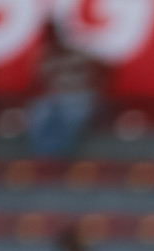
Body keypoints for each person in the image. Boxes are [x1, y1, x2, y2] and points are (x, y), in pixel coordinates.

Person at [27, 22, 102, 159]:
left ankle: (60, 159)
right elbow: (40, 81)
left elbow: (92, 78)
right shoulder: (46, 55)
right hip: (56, 99)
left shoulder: (78, 52)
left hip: (79, 97)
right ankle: (42, 157)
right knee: (39, 112)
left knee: (69, 116)